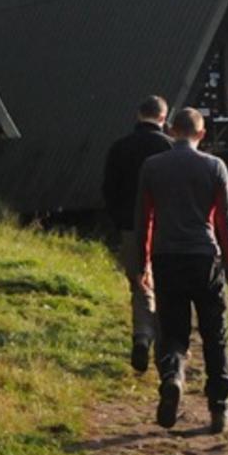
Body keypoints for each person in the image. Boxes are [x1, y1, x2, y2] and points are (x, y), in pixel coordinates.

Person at [135, 107, 228, 435]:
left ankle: (173, 377)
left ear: (171, 130)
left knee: (172, 330)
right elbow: (226, 218)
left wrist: (142, 262)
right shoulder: (214, 166)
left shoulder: (152, 166)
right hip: (204, 257)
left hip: (167, 256)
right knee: (215, 332)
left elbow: (144, 218)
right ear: (202, 134)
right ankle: (219, 407)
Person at [101, 96, 173, 373]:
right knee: (167, 286)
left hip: (131, 226)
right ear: (163, 117)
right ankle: (165, 350)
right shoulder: (169, 147)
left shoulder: (120, 147)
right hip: (166, 227)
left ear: (138, 114)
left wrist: (120, 222)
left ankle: (142, 335)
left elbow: (109, 190)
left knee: (141, 284)